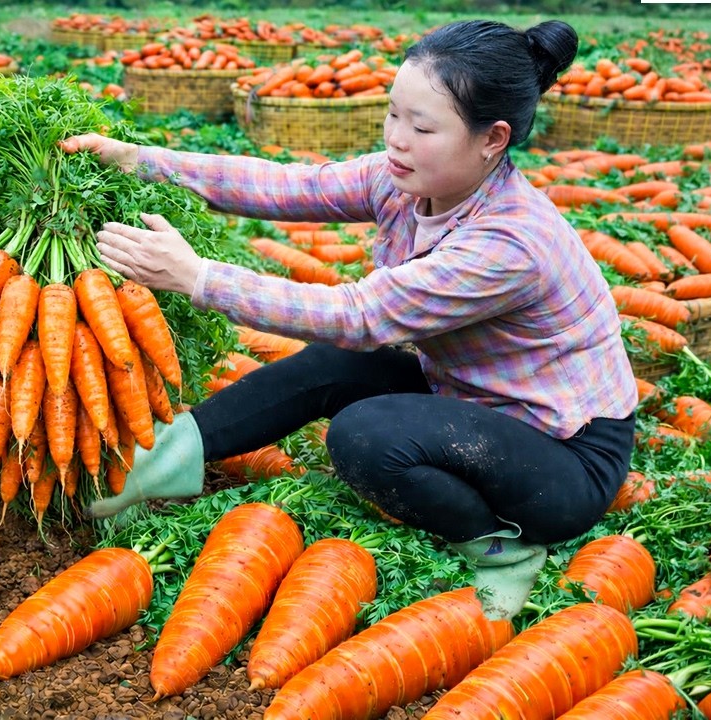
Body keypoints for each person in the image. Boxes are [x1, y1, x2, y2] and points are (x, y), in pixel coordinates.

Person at [59, 19, 637, 621]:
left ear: (492, 139)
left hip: (562, 457)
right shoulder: (408, 181)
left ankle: (501, 547)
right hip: (475, 400)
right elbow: (285, 186)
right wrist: (141, 161)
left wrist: (197, 277)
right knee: (338, 365)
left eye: (422, 126)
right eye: (393, 115)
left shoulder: (508, 244)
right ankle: (155, 465)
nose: (397, 139)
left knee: (367, 435)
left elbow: (358, 314)